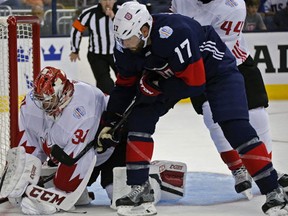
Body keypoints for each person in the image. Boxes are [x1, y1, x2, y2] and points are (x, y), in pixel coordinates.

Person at [96, 2, 288, 216]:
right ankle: (139, 188)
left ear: (144, 30)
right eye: (120, 39)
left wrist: (155, 86)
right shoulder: (125, 45)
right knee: (139, 121)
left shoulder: (176, 33)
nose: (124, 43)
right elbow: (124, 86)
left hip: (216, 71)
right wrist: (110, 122)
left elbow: (195, 83)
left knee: (235, 126)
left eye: (128, 38)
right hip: (168, 74)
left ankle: (273, 190)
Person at [170, 0, 283, 200]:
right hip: (195, 64)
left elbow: (218, 50)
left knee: (257, 114)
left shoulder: (233, 6)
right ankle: (237, 168)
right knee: (211, 116)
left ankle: (267, 169)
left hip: (233, 60)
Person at [0, 66, 126, 215]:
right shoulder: (31, 104)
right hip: (80, 150)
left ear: (64, 93)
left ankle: (154, 180)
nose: (44, 105)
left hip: (112, 146)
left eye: (49, 100)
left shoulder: (82, 110)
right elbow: (30, 144)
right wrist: (25, 174)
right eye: (41, 99)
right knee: (47, 183)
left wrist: (62, 191)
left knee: (117, 193)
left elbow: (78, 158)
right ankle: (81, 194)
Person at [70, 0, 118, 95]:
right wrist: (75, 49)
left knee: (126, 81)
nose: (107, 3)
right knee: (105, 84)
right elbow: (76, 29)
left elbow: (127, 29)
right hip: (96, 55)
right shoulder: (89, 13)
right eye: (104, 0)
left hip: (118, 54)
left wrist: (113, 17)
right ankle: (110, 105)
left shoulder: (122, 12)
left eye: (110, 0)